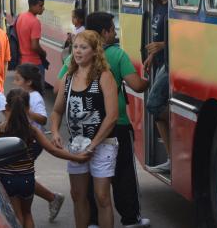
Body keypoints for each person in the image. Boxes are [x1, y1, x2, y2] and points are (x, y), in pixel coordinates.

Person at [58, 12, 151, 228]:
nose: (115, 33)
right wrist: (149, 80)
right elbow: (136, 85)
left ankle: (92, 221)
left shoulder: (75, 58)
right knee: (123, 175)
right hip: (115, 126)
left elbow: (58, 87)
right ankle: (130, 219)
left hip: (83, 132)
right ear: (104, 33)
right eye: (112, 29)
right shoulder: (117, 55)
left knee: (88, 182)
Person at [0, 88, 90, 228]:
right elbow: (52, 150)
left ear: (6, 107)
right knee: (27, 214)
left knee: (16, 216)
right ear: (28, 108)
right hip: (27, 178)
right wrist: (77, 157)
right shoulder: (32, 130)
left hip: (8, 179)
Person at [51, 30, 119, 228]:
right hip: (77, 146)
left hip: (103, 145)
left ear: (95, 52)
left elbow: (112, 116)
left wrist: (93, 145)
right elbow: (56, 111)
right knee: (78, 195)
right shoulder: (68, 79)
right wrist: (55, 132)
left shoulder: (104, 77)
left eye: (83, 47)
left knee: (102, 196)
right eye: (75, 47)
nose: (78, 52)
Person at [14, 64, 65, 222]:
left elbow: (43, 119)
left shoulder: (35, 97)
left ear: (28, 82)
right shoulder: (21, 94)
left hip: (34, 142)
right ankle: (52, 197)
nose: (14, 82)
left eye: (17, 79)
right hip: (22, 141)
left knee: (21, 175)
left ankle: (52, 197)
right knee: (21, 174)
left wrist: (28, 111)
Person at [143, 0, 171, 173]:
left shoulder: (173, 6)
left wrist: (162, 46)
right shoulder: (158, 6)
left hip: (171, 62)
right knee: (157, 107)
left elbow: (187, 36)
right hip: (160, 61)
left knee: (153, 105)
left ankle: (172, 155)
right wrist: (152, 56)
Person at [15, 0, 48, 82]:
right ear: (33, 5)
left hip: (22, 61)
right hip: (34, 64)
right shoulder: (35, 22)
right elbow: (35, 46)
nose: (43, 8)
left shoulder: (21, 17)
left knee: (26, 91)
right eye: (40, 5)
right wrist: (43, 53)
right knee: (38, 92)